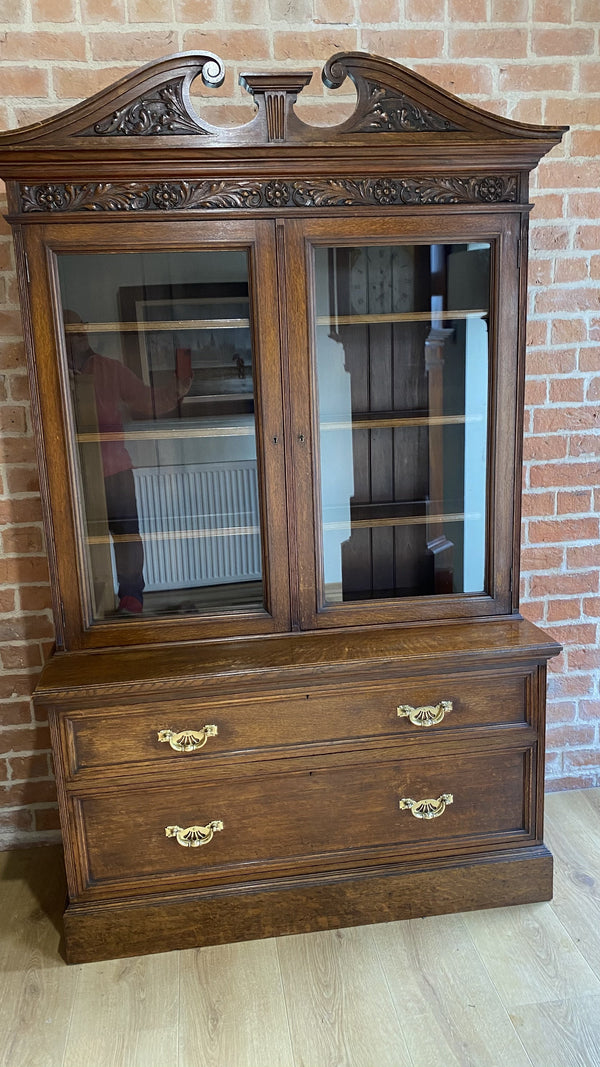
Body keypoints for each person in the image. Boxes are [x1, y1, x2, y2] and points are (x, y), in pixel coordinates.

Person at [64, 310, 191, 615]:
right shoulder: (51, 370)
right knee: (75, 539)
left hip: (115, 471)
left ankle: (131, 598)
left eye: (81, 326)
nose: (78, 332)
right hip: (70, 473)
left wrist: (175, 391)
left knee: (127, 537)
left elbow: (144, 398)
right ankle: (79, 605)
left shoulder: (110, 369)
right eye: (70, 328)